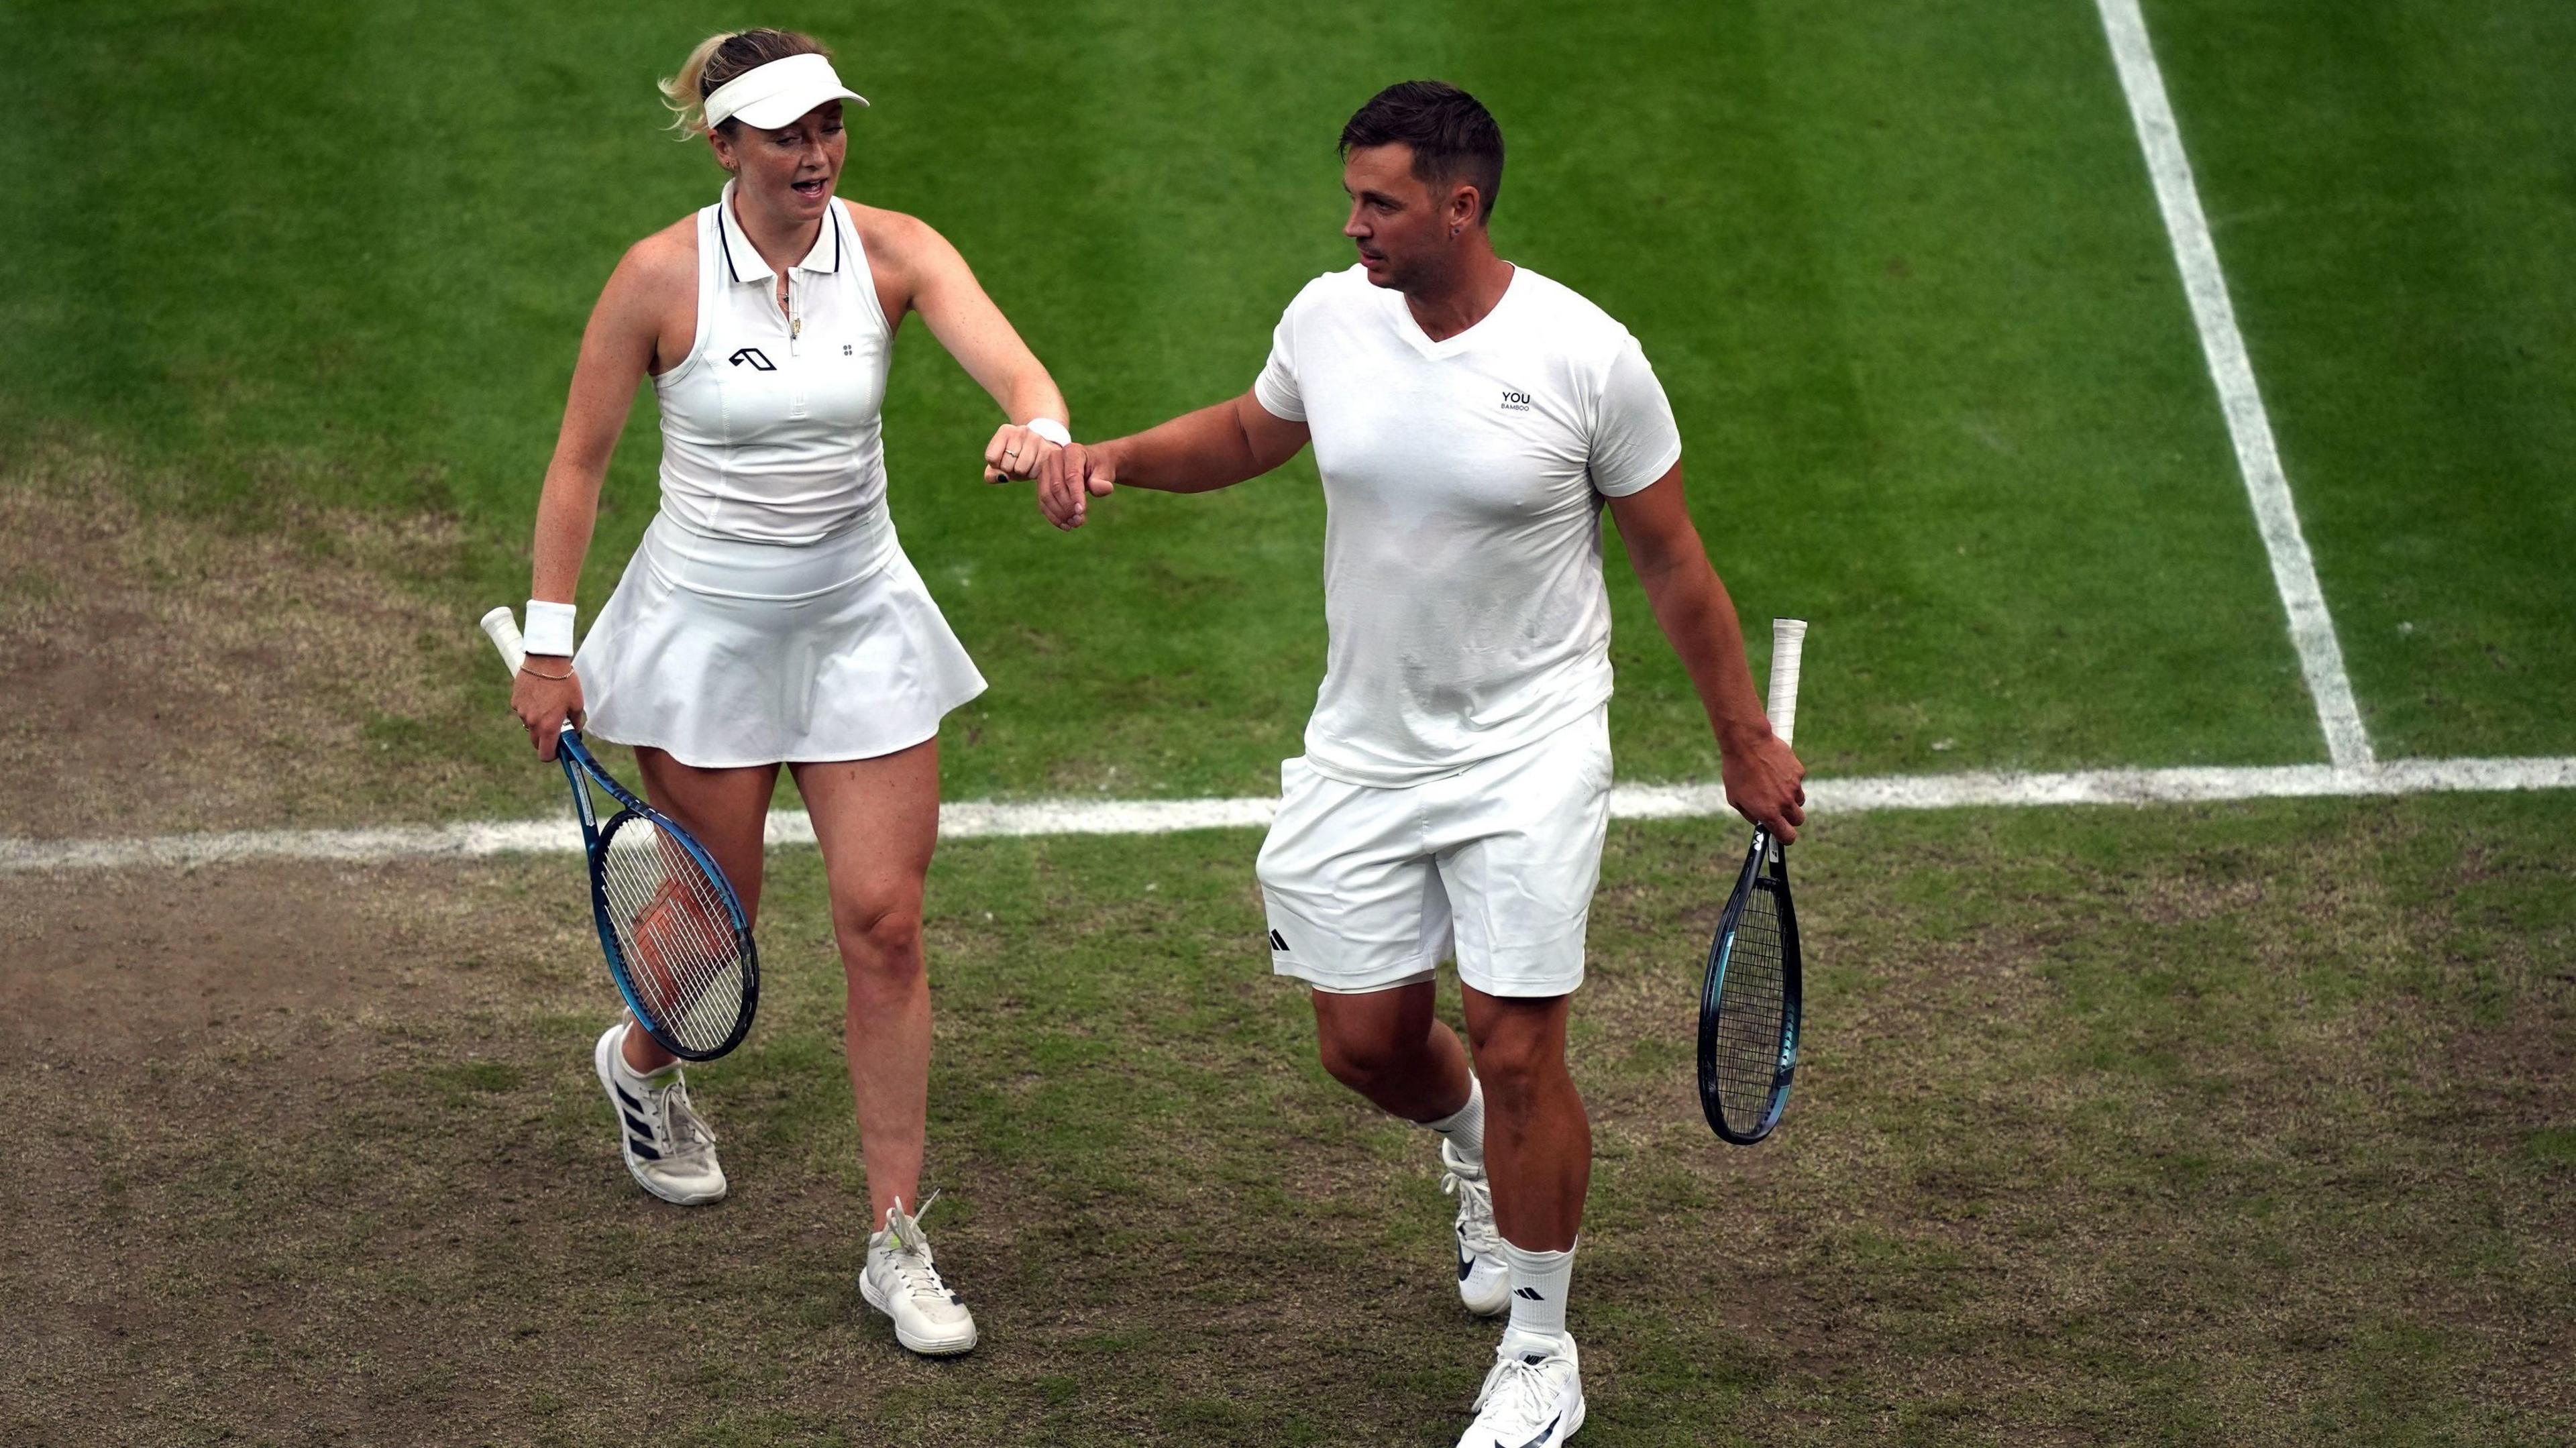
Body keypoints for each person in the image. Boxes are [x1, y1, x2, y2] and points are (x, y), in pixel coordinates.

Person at [1034, 80, 1805, 1445]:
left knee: (1519, 1044)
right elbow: (1248, 433)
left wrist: (1742, 739)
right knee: (1369, 1044)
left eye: (1380, 202)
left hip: (1530, 745)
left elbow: (1672, 559)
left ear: (1461, 205)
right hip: (1366, 750)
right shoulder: (1329, 317)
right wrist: (1112, 462)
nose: (1354, 224)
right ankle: (1470, 1155)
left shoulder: (1588, 356)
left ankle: (1541, 1349)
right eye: (1353, 196)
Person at [508, 27, 1069, 1358]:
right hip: (707, 636)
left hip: (859, 630)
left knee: (885, 926)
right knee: (717, 927)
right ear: (726, 146)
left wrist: (1036, 425)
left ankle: (896, 1240)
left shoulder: (896, 251)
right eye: (785, 134)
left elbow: (1021, 372)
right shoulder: (657, 278)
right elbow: (579, 466)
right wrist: (548, 650)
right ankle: (644, 1069)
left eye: (829, 126)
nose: (816, 153)